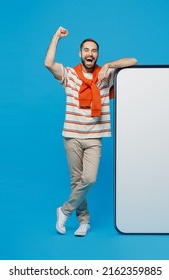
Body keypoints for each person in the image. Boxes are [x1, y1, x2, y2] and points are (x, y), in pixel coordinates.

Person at [44, 26, 137, 236]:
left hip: (94, 137)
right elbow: (48, 63)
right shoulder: (70, 75)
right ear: (80, 53)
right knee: (76, 181)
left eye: (94, 50)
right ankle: (84, 221)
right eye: (86, 50)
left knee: (90, 179)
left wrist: (111, 65)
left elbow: (133, 61)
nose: (90, 53)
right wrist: (56, 37)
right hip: (72, 136)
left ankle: (64, 210)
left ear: (97, 55)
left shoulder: (106, 74)